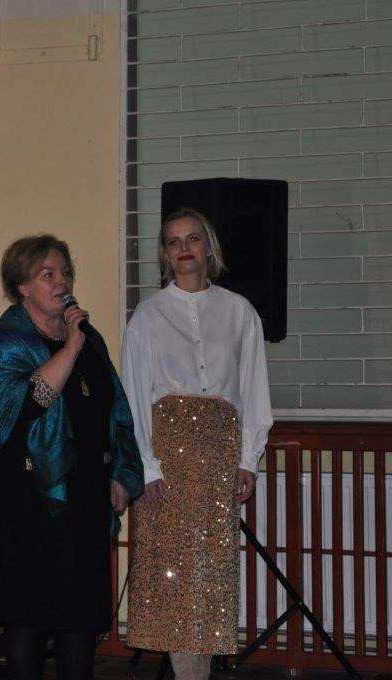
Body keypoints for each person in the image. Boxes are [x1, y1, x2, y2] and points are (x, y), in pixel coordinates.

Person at [0, 235, 143, 679]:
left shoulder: (91, 339)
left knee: (80, 618)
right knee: (29, 618)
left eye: (66, 272)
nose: (61, 282)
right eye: (47, 274)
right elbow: (26, 404)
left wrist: (122, 472)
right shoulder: (7, 342)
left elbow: (116, 409)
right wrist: (70, 348)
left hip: (85, 496)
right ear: (22, 286)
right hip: (28, 501)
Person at [120, 208, 273, 680]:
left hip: (219, 455)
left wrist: (248, 459)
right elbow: (132, 396)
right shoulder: (148, 316)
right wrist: (147, 467)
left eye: (192, 239)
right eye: (174, 241)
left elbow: (253, 389)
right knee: (173, 578)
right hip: (168, 456)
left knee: (210, 577)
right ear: (165, 255)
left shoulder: (240, 311)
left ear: (209, 248)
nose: (184, 248)